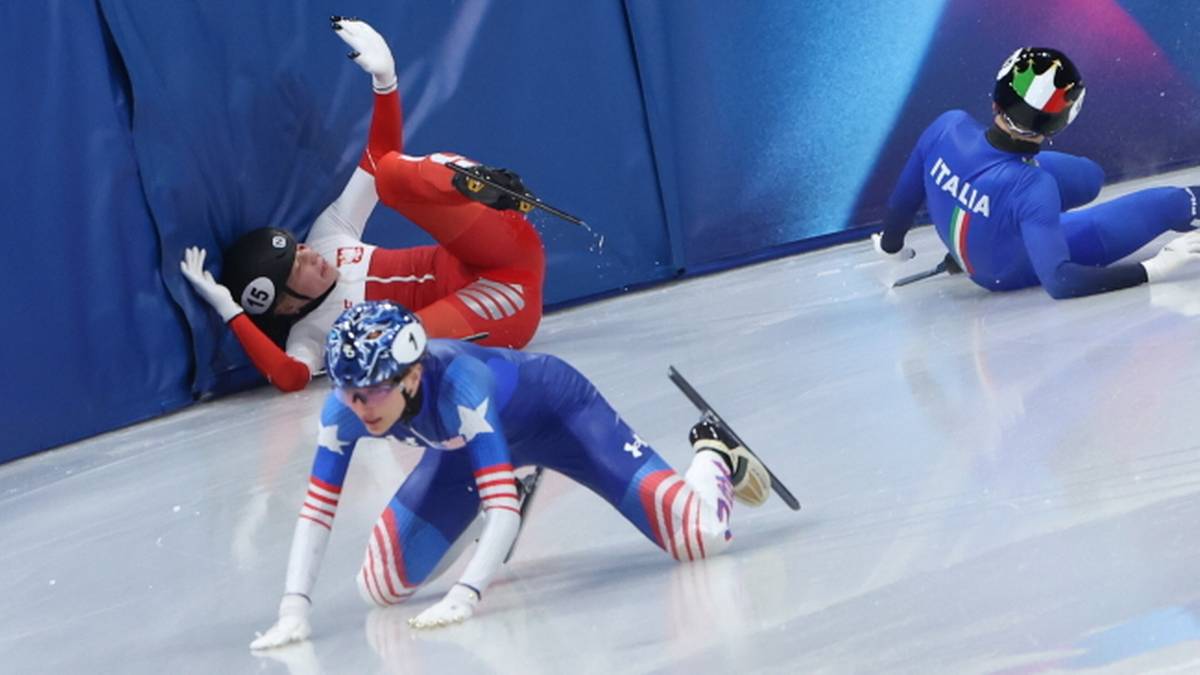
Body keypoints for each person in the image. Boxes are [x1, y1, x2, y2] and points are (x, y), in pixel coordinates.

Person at [247, 300, 774, 649]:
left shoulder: (462, 386)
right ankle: (505, 482)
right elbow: (316, 510)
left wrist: (465, 595)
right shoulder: (346, 411)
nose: (361, 406)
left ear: (411, 376)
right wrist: (294, 609)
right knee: (381, 584)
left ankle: (713, 453)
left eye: (374, 390)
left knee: (700, 538)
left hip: (561, 418)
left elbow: (501, 510)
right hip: (463, 449)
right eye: (349, 391)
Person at [180, 18, 546, 393]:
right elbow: (290, 377)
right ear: (287, 307)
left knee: (387, 173)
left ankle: (474, 181)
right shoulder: (310, 333)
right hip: (506, 303)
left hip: (497, 251)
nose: (307, 253)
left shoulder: (327, 236)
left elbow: (378, 156)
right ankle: (466, 186)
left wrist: (385, 81)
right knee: (388, 348)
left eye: (297, 247)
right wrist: (229, 309)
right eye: (295, 266)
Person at [873, 46, 1200, 298]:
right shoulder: (1032, 186)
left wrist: (892, 247)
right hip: (1005, 268)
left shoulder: (948, 126)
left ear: (995, 101)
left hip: (978, 245)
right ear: (1063, 120)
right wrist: (1153, 269)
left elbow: (903, 202)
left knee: (1089, 178)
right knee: (1169, 204)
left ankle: (1005, 227)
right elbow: (1060, 281)